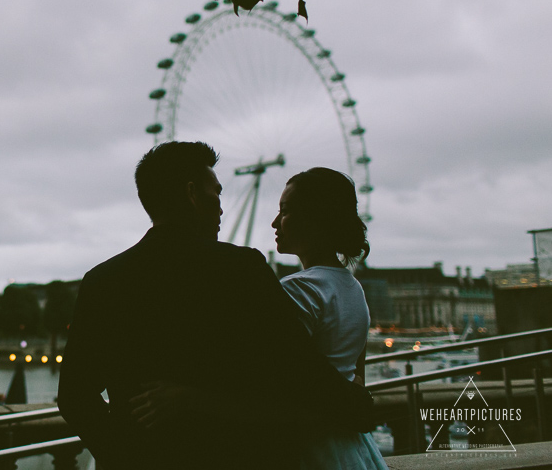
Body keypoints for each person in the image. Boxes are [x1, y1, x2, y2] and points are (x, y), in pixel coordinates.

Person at [58, 142, 373, 470]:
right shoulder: (243, 270)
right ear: (192, 194)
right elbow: (300, 372)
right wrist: (361, 407)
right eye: (217, 193)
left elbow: (74, 397)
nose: (221, 207)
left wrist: (124, 454)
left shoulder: (102, 281)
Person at [273, 167, 387, 469]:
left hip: (311, 447)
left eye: (285, 212)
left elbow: (279, 381)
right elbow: (356, 378)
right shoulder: (352, 286)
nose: (275, 222)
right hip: (353, 445)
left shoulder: (299, 289)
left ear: (315, 220)